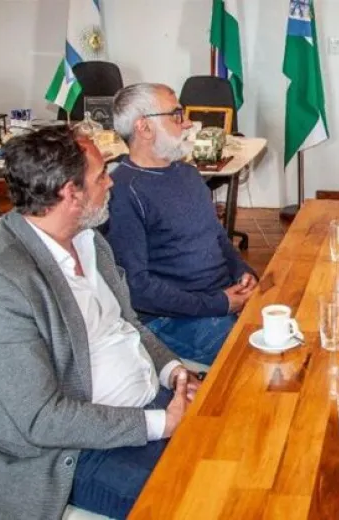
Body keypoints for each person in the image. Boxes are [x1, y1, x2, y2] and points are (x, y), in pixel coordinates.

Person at [0, 126, 201, 519]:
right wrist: (160, 424)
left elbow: (128, 325)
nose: (111, 183)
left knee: (248, 447)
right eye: (101, 176)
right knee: (206, 499)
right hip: (71, 458)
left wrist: (174, 372)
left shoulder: (89, 240)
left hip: (149, 408)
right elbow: (42, 420)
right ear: (71, 193)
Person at [105, 83, 257, 365]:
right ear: (144, 127)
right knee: (257, 359)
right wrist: (219, 303)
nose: (188, 123)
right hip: (171, 319)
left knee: (296, 328)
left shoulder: (187, 173)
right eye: (176, 115)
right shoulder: (123, 191)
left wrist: (242, 273)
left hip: (220, 299)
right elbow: (138, 288)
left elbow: (217, 237)